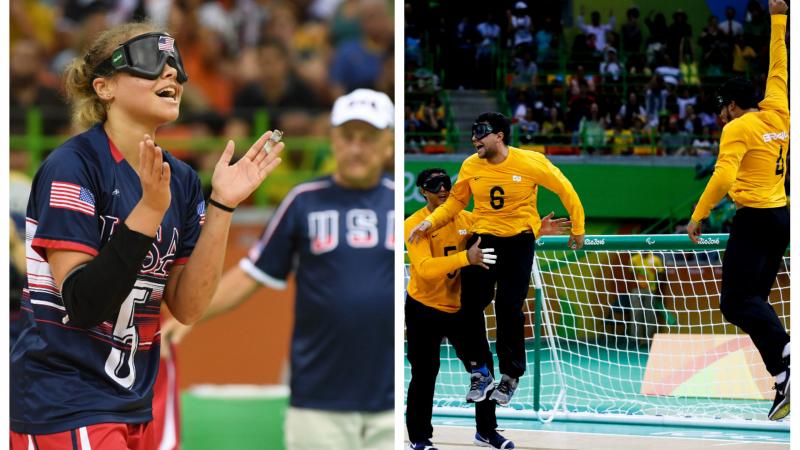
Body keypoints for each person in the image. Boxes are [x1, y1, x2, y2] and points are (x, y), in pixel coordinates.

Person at [10, 22, 283, 449]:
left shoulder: (184, 179)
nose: (170, 73)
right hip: (65, 399)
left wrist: (223, 206)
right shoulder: (72, 166)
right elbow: (81, 304)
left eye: (174, 63)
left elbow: (189, 307)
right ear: (104, 87)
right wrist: (148, 213)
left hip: (133, 398)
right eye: (150, 61)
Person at [163, 88, 395, 449]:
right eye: (348, 136)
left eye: (369, 138)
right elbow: (251, 273)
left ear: (389, 144)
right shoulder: (304, 202)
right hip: (318, 402)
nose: (356, 147)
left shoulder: (401, 205)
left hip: (392, 403)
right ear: (333, 140)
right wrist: (186, 318)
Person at [408, 112, 586, 407]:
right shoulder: (470, 165)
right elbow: (457, 201)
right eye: (474, 132)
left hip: (519, 241)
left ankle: (510, 376)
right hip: (485, 239)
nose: (474, 138)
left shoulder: (530, 162)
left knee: (508, 306)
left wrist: (578, 227)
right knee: (469, 304)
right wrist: (430, 223)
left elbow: (564, 189)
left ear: (499, 135)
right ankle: (480, 370)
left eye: (480, 132)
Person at [405, 168, 570, 450]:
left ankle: (486, 431)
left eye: (447, 184)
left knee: (484, 370)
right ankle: (420, 438)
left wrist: (537, 232)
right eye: (435, 186)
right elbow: (423, 269)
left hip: (461, 310)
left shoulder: (469, 220)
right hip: (425, 308)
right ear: (422, 191)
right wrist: (465, 258)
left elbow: (502, 243)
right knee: (425, 373)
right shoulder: (416, 224)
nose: (443, 190)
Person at [688, 0, 789, 421]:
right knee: (756, 302)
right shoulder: (779, 109)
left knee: (733, 303)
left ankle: (788, 354)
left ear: (732, 103)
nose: (720, 112)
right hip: (783, 218)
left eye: (722, 104)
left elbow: (723, 177)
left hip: (753, 219)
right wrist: (779, 19)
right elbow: (778, 66)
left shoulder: (738, 127)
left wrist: (698, 215)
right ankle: (784, 377)